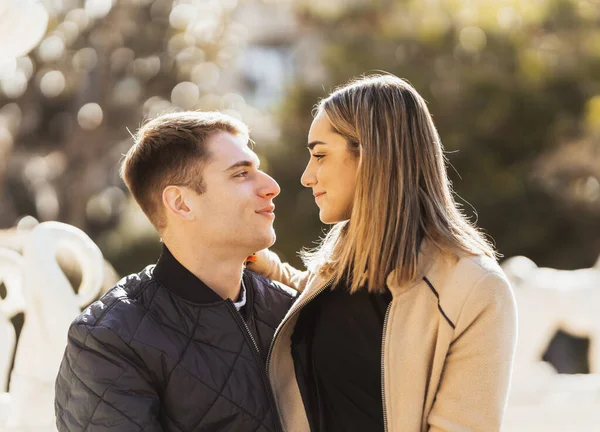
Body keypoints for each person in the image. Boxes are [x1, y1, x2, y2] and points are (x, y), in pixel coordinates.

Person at [249, 74, 518, 432]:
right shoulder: (341, 264)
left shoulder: (475, 288)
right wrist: (263, 263)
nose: (307, 176)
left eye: (320, 155)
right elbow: (320, 302)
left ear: (372, 154)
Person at [54, 111, 296, 432]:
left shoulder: (294, 310)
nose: (271, 187)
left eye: (259, 170)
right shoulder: (109, 340)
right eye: (240, 174)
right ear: (181, 203)